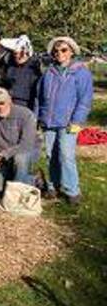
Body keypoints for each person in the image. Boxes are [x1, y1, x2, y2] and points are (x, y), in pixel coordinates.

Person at [37, 37, 93, 205]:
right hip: (49, 121)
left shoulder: (81, 72)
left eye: (63, 50)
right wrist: (38, 116)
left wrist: (77, 120)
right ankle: (53, 187)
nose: (59, 53)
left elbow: (85, 100)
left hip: (69, 122)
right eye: (56, 51)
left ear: (71, 51)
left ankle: (72, 190)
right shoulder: (48, 72)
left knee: (66, 155)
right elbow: (39, 98)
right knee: (50, 155)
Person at [5, 35, 42, 111]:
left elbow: (37, 94)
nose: (18, 57)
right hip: (10, 103)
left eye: (20, 54)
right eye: (15, 54)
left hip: (26, 105)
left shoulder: (34, 69)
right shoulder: (10, 67)